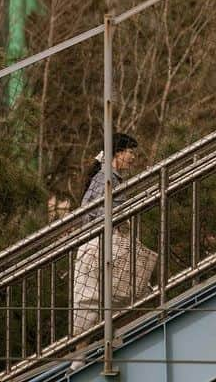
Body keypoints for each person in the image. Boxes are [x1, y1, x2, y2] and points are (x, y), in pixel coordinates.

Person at [72, 132, 156, 336]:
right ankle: (81, 358)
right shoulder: (106, 179)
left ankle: (92, 352)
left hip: (99, 246)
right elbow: (103, 213)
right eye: (130, 152)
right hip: (99, 247)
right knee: (98, 302)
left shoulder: (107, 177)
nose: (133, 157)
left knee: (95, 303)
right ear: (117, 153)